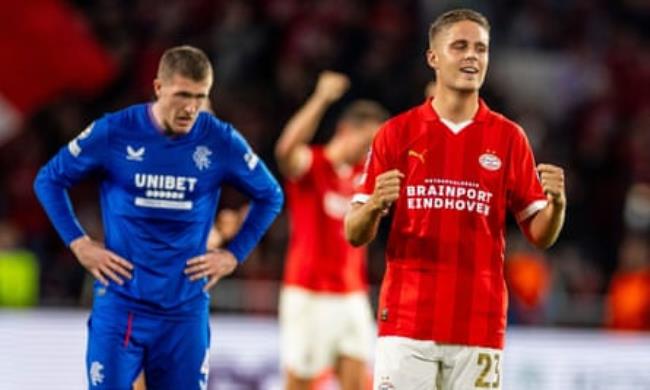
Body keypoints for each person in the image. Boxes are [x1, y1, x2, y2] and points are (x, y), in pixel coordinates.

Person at [33, 45, 284, 390]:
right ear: (158, 88)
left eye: (200, 97)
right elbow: (49, 179)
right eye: (182, 95)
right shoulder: (115, 131)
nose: (191, 108)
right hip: (122, 305)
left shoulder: (220, 140)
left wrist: (233, 255)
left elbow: (271, 195)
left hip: (184, 311)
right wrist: (79, 244)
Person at [344, 9, 566, 390]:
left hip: (478, 323)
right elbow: (353, 232)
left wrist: (557, 206)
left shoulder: (509, 138)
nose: (472, 56)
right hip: (406, 322)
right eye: (460, 46)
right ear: (433, 57)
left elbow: (540, 236)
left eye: (481, 48)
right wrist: (374, 205)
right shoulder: (396, 134)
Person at [275, 71, 389, 390]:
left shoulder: (363, 179)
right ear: (344, 130)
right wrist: (321, 98)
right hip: (309, 293)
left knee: (359, 382)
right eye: (367, 142)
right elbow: (285, 150)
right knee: (300, 383)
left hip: (351, 294)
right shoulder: (313, 165)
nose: (370, 152)